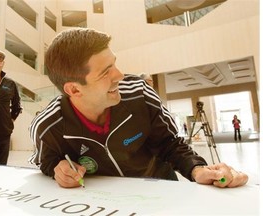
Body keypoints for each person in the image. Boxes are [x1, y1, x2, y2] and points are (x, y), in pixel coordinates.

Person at [29, 27, 248, 189]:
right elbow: (46, 161)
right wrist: (58, 168)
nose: (120, 75)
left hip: (161, 192)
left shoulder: (140, 94)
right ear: (74, 90)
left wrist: (197, 169)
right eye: (105, 72)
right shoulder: (49, 126)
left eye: (114, 63)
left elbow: (170, 144)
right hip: (106, 203)